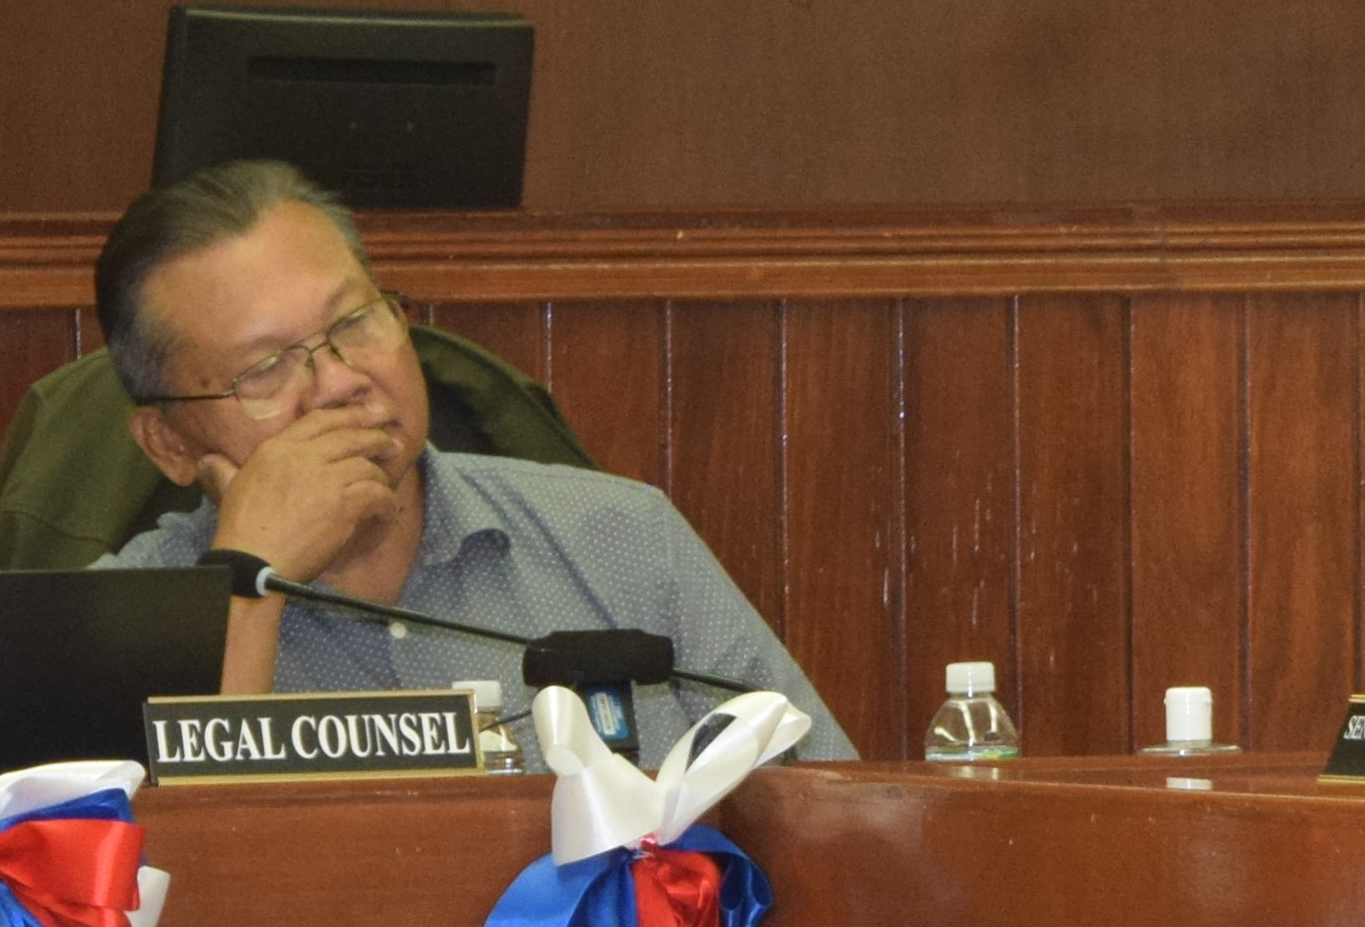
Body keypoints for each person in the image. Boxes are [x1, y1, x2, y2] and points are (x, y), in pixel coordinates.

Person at [92, 158, 856, 763]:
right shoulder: (108, 625)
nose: (339, 381)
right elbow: (151, 906)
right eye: (264, 370)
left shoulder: (623, 542)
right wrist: (248, 582)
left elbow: (825, 823)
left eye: (356, 322)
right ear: (170, 443)